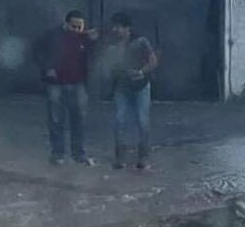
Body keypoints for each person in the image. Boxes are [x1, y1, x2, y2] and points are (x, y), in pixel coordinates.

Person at [33, 9, 98, 165]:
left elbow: (94, 57)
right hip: (56, 83)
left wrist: (92, 42)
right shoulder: (52, 35)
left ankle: (78, 153)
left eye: (80, 27)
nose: (77, 30)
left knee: (79, 119)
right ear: (66, 24)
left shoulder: (85, 37)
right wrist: (47, 67)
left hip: (78, 83)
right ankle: (57, 153)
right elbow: (37, 51)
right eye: (74, 26)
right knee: (56, 119)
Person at [107, 12, 158, 170]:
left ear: (127, 28)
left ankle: (144, 156)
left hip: (141, 85)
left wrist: (141, 72)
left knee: (142, 121)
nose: (115, 30)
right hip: (122, 86)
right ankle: (120, 156)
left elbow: (153, 61)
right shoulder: (112, 45)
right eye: (114, 27)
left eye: (118, 27)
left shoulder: (141, 42)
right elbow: (109, 66)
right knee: (119, 120)